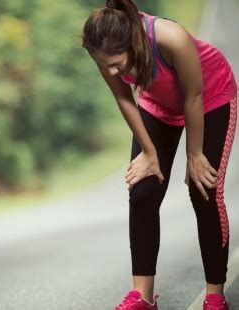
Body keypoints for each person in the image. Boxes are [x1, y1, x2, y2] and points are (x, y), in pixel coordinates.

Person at [81, 0, 237, 309]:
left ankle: (215, 295)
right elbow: (125, 99)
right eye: (105, 64)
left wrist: (194, 154)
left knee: (203, 189)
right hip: (158, 105)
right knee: (142, 191)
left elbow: (193, 95)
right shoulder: (103, 48)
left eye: (116, 62)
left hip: (210, 96)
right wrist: (149, 153)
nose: (111, 70)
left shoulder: (170, 37)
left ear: (133, 43)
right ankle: (142, 296)